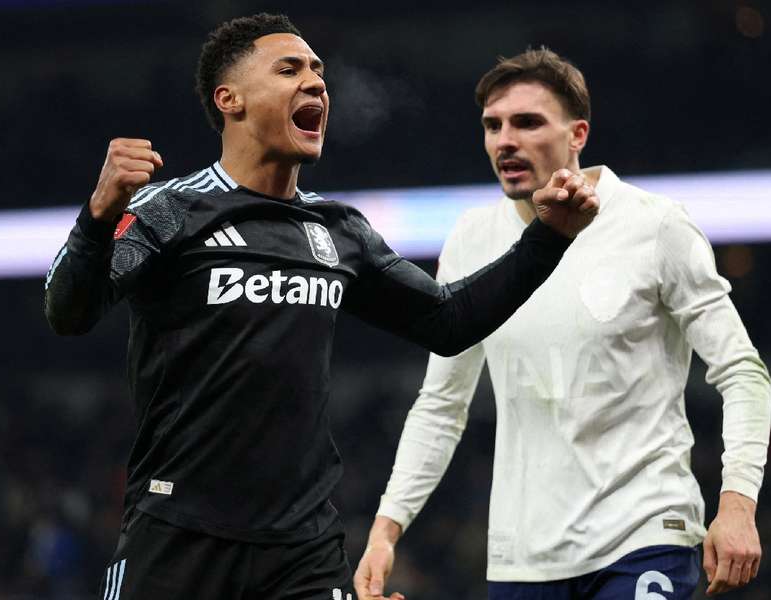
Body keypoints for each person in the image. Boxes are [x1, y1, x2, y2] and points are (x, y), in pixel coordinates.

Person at [43, 16, 599, 600]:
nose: (315, 83)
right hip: (179, 536)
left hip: (302, 550)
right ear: (228, 99)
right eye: (290, 69)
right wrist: (98, 216)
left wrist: (547, 237)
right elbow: (68, 312)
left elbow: (449, 321)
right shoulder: (169, 210)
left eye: (318, 72)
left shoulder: (338, 231)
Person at [356, 48, 771, 600]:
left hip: (645, 534)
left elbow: (742, 370)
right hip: (523, 556)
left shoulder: (654, 225)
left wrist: (738, 503)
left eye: (527, 122)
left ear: (578, 134)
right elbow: (441, 405)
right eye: (493, 125)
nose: (505, 140)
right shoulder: (472, 238)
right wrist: (386, 530)